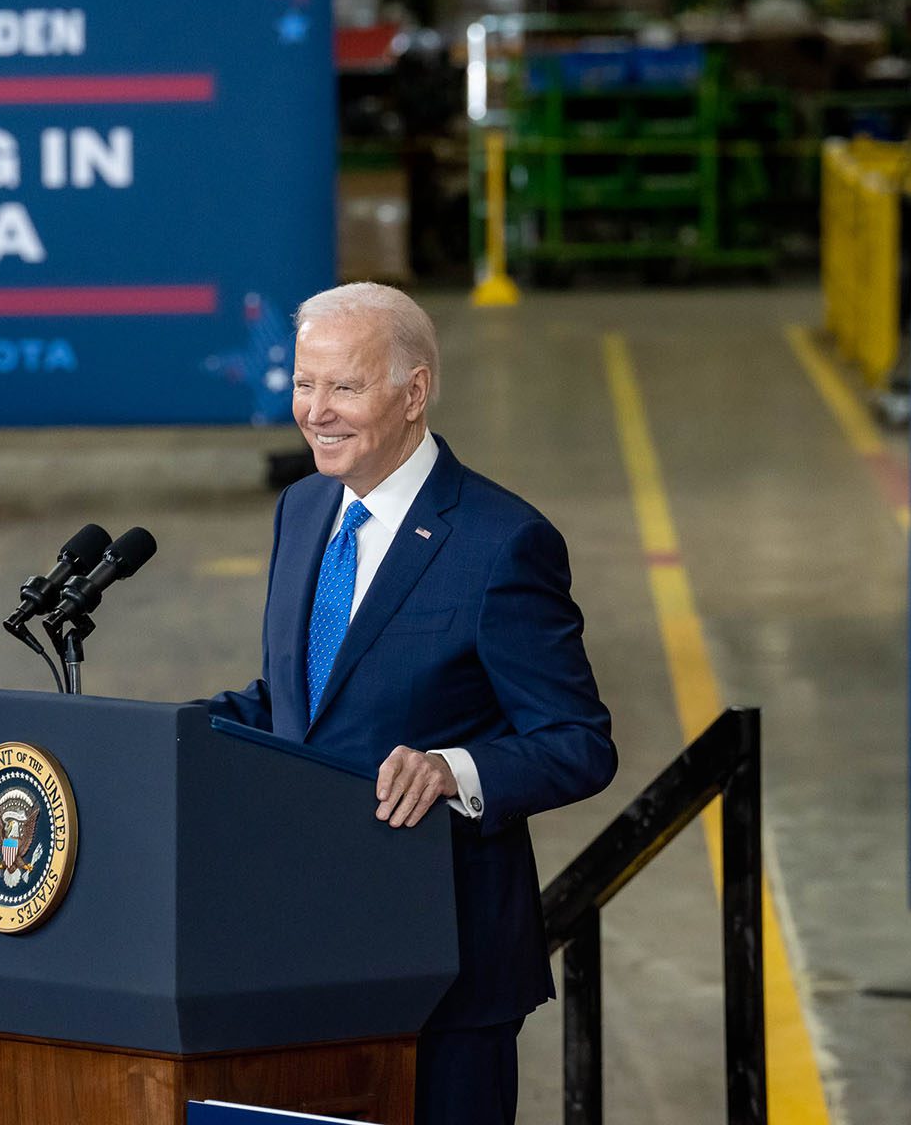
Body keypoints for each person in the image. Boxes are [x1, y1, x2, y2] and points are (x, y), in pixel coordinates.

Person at [210, 282, 617, 1125]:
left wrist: (451, 768)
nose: (316, 412)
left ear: (415, 391)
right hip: (304, 949)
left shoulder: (502, 543)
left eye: (345, 388)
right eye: (303, 385)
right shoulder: (304, 507)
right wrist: (180, 734)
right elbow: (300, 697)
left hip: (445, 969)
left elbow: (579, 739)